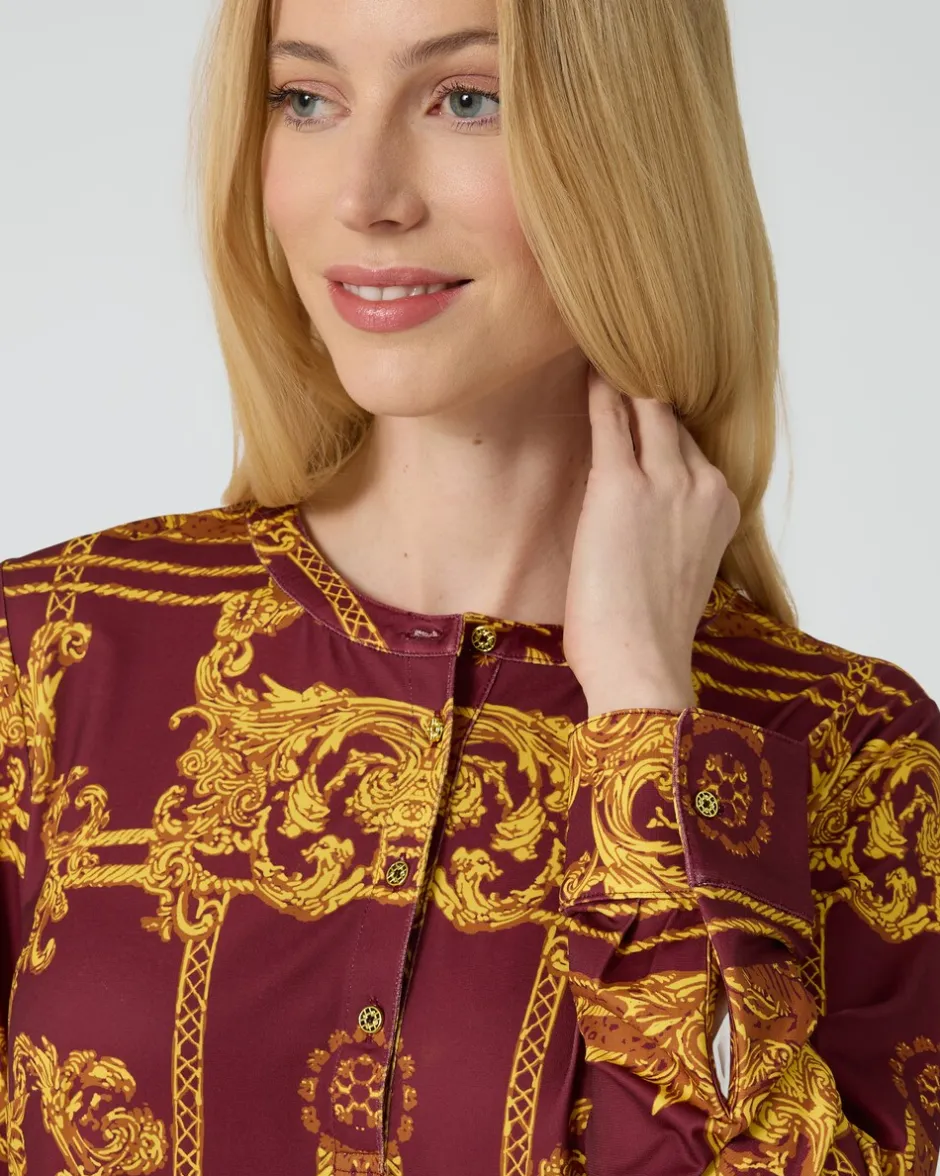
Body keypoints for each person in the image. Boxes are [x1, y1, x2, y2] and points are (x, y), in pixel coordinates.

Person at [1, 0, 937, 1172]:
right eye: (307, 100)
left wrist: (644, 715)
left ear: (630, 144)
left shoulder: (852, 751)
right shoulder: (52, 649)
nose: (365, 195)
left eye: (465, 100)